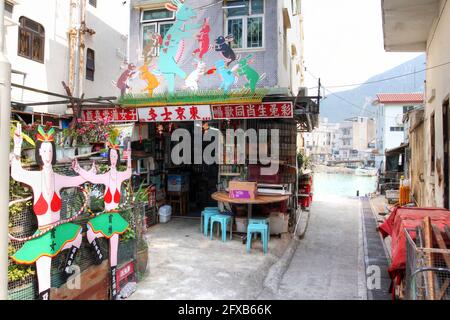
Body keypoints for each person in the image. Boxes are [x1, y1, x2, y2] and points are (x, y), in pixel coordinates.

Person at [10, 124, 86, 300]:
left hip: (58, 231)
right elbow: (16, 173)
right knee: (44, 276)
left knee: (77, 235)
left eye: (50, 151)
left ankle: (68, 267)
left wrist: (82, 171)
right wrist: (18, 146)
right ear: (38, 154)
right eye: (44, 151)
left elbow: (77, 181)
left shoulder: (58, 178)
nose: (47, 155)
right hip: (43, 233)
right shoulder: (35, 177)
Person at [72, 138, 132, 300]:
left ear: (117, 159)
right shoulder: (105, 176)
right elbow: (92, 179)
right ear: (108, 158)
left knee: (114, 252)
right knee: (91, 231)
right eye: (111, 156)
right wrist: (79, 169)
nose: (113, 159)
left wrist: (129, 156)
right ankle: (98, 253)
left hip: (116, 216)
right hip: (106, 216)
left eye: (115, 157)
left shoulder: (120, 176)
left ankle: (115, 291)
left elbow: (129, 172)